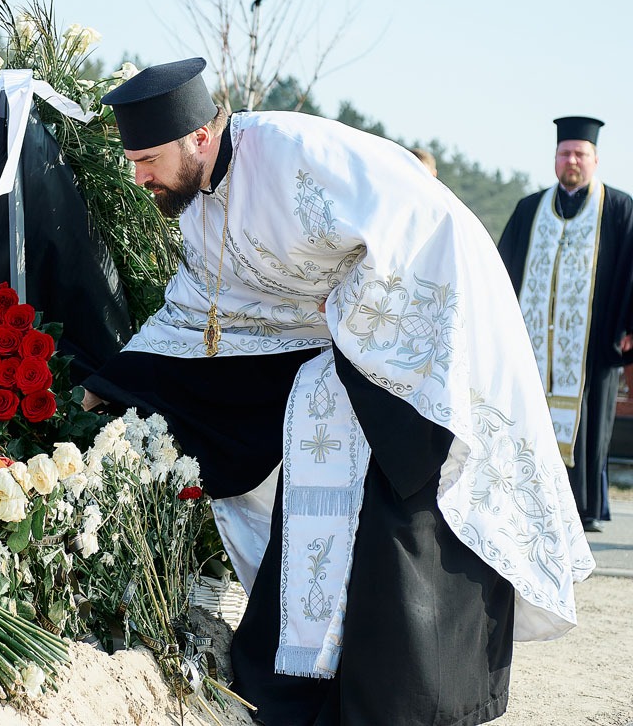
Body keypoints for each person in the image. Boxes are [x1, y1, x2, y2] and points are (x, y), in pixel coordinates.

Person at [83, 58, 594, 726]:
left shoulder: (299, 152)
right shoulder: (200, 207)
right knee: (319, 458)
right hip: (349, 357)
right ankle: (307, 687)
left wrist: (347, 321)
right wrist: (116, 381)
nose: (140, 176)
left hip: (431, 326)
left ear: (199, 139)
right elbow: (200, 317)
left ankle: (414, 704)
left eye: (147, 159)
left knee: (404, 509)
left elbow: (420, 230)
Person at [497, 117, 633, 533]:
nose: (571, 160)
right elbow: (502, 268)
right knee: (530, 416)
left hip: (594, 343)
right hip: (535, 344)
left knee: (591, 426)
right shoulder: (529, 209)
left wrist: (628, 326)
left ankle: (586, 508)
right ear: (554, 158)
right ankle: (532, 497)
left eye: (579, 154)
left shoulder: (618, 207)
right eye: (564, 153)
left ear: (595, 159)